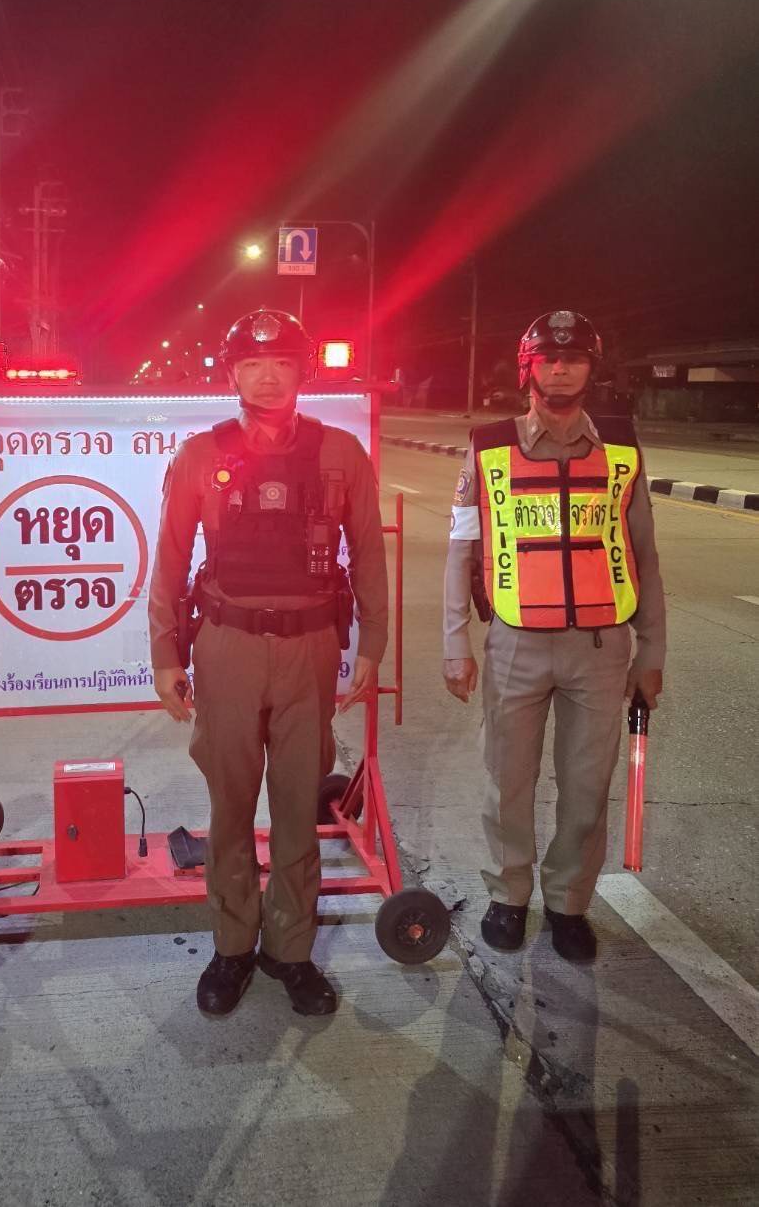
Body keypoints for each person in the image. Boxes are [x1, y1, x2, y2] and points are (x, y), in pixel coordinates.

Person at [149, 308, 389, 1017]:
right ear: (232, 374)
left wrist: (372, 643)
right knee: (229, 806)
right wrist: (165, 653)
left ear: (301, 371)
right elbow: (170, 561)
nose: (267, 376)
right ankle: (232, 946)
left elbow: (368, 553)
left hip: (309, 650)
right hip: (226, 645)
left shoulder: (341, 452)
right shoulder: (200, 454)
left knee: (295, 806)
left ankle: (290, 950)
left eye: (281, 363)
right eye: (252, 364)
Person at [443, 310, 666, 962]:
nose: (561, 368)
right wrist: (455, 642)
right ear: (529, 368)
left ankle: (568, 903)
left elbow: (644, 554)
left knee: (587, 787)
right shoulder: (488, 446)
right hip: (515, 644)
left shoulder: (621, 449)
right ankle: (508, 896)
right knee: (506, 782)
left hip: (599, 649)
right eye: (549, 357)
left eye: (574, 358)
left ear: (592, 369)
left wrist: (651, 650)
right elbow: (461, 550)